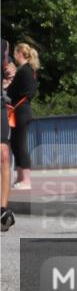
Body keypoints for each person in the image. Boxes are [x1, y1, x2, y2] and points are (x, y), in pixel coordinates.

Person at [8, 43, 40, 189]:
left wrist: (7, 83)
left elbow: (11, 91)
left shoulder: (23, 71)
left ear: (20, 53)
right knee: (16, 143)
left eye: (15, 53)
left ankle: (26, 180)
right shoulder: (30, 70)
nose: (14, 56)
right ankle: (21, 178)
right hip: (24, 109)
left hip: (21, 110)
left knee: (20, 144)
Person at [1, 39, 15, 232]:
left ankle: (2, 210)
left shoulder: (3, 45)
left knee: (3, 155)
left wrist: (10, 70)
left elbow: (8, 66)